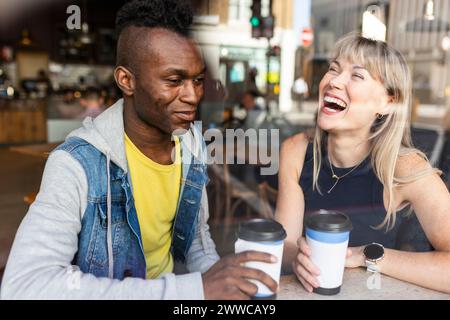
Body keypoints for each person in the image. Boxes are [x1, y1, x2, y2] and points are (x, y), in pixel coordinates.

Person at [0, 0, 278, 300]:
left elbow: (196, 241)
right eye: (174, 80)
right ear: (126, 81)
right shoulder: (76, 164)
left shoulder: (191, 143)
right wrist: (192, 289)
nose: (192, 95)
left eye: (197, 80)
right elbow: (24, 286)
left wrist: (219, 285)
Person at [275, 34, 450, 293]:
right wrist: (298, 259)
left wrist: (366, 256)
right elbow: (286, 245)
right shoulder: (296, 151)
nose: (334, 81)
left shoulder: (405, 168)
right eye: (333, 69)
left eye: (357, 75)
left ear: (388, 102)